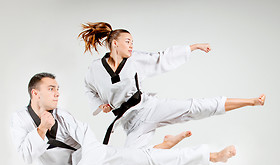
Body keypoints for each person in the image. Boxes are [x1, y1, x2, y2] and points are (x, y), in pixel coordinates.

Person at [11, 72, 236, 165]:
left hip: (93, 162)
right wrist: (41, 130)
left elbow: (90, 142)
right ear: (35, 93)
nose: (57, 93)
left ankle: (211, 155)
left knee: (145, 162)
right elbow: (25, 155)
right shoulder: (20, 120)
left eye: (58, 89)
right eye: (51, 89)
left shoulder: (63, 116)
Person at [79, 22, 266, 147]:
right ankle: (167, 144)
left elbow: (161, 58)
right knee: (131, 161)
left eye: (132, 42)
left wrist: (193, 47)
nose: (131, 46)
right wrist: (99, 105)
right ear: (114, 43)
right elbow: (89, 88)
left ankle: (251, 101)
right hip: (130, 123)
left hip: (147, 108)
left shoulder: (135, 60)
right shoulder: (95, 69)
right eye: (127, 41)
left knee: (193, 108)